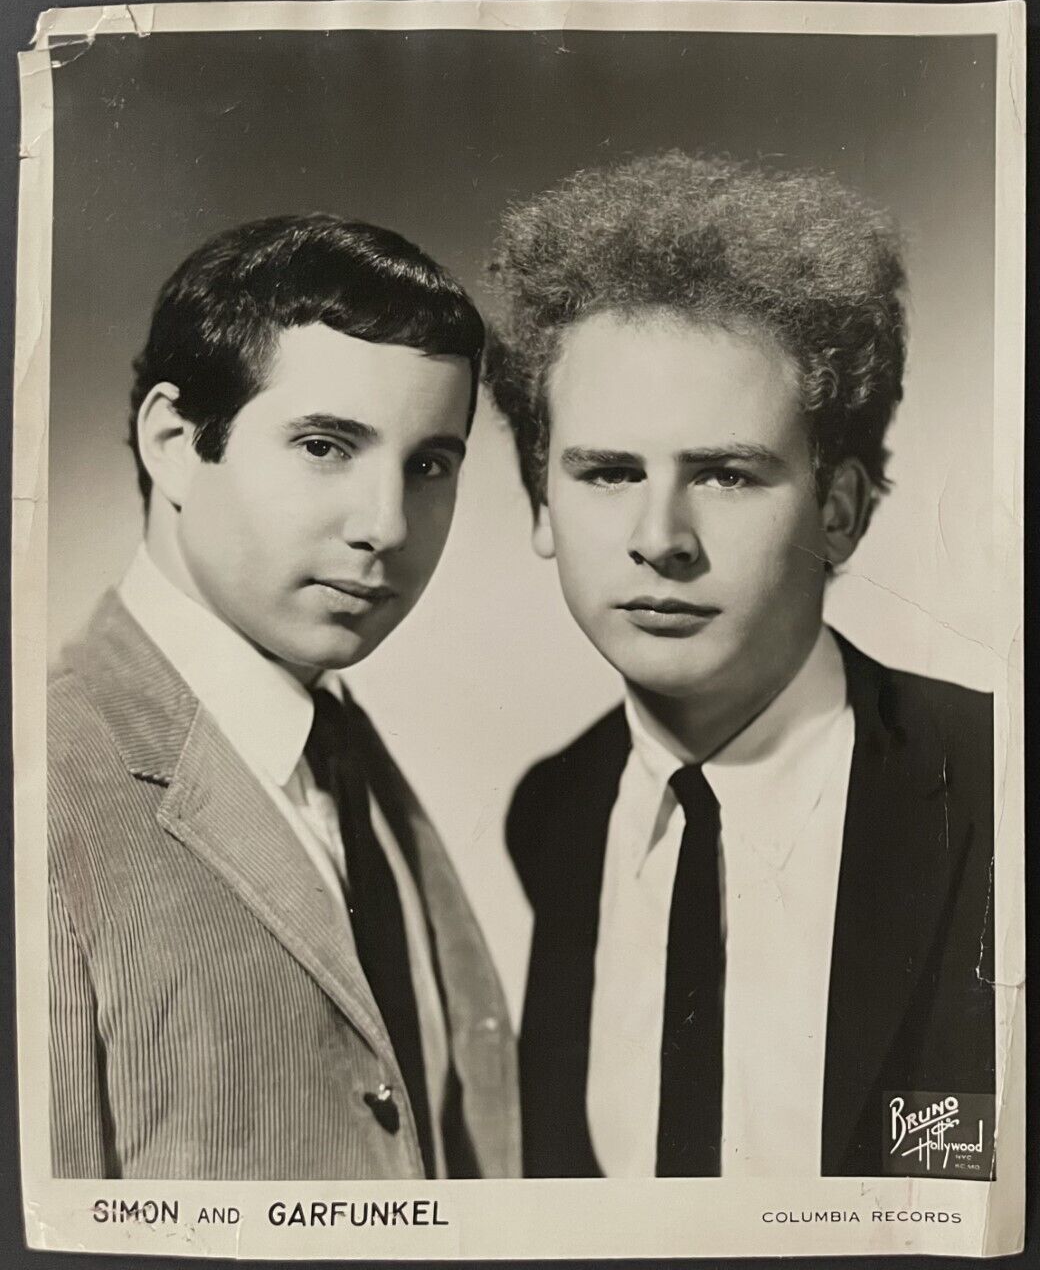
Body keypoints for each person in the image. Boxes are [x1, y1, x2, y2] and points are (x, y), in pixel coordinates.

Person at [485, 153, 995, 1179]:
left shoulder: (998, 778)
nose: (659, 538)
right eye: (607, 472)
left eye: (724, 473)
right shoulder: (554, 809)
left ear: (839, 511)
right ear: (542, 505)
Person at [49, 215, 518, 1180]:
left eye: (428, 465)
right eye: (325, 446)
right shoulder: (44, 790)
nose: (386, 525)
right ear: (174, 442)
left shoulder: (343, 753)